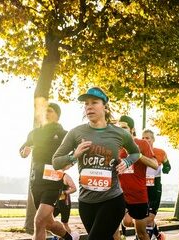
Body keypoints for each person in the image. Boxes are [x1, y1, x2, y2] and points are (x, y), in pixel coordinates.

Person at [53, 87, 140, 239]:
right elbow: (56, 162)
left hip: (112, 200)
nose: (89, 107)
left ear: (105, 107)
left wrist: (127, 161)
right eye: (86, 104)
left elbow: (136, 152)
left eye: (94, 102)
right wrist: (74, 155)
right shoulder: (75, 132)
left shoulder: (120, 133)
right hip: (86, 202)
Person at [19, 102, 75, 240]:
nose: (45, 113)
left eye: (49, 111)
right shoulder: (35, 133)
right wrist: (24, 152)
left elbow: (76, 153)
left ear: (57, 115)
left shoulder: (64, 134)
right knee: (48, 223)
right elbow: (22, 149)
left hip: (54, 180)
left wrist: (70, 162)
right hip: (36, 181)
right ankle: (69, 238)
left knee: (39, 221)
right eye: (44, 111)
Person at [116, 115, 159, 240]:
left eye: (124, 127)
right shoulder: (115, 146)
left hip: (138, 195)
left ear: (132, 129)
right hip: (118, 194)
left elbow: (154, 164)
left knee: (141, 233)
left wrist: (137, 154)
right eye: (119, 128)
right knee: (119, 228)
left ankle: (154, 233)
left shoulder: (142, 144)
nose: (121, 130)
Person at [141, 129, 171, 239]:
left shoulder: (160, 152)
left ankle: (150, 235)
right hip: (141, 188)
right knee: (141, 219)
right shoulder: (137, 153)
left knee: (149, 219)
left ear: (153, 139)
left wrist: (166, 168)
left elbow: (168, 165)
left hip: (155, 188)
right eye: (143, 138)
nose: (144, 140)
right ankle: (157, 234)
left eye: (147, 138)